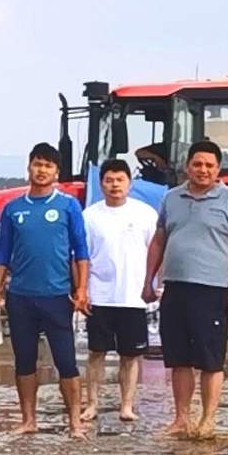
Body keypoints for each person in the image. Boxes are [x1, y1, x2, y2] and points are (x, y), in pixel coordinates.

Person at [141, 139, 228, 440]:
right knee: (179, 358)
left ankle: (207, 420)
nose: (202, 170)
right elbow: (159, 240)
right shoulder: (172, 198)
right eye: (197, 164)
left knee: (210, 359)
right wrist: (148, 280)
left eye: (209, 165)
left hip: (212, 288)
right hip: (175, 286)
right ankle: (181, 418)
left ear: (218, 170)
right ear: (187, 166)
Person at [0, 141, 93, 438]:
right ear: (29, 167)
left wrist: (81, 290)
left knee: (66, 361)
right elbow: (2, 254)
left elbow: (80, 251)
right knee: (24, 361)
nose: (42, 170)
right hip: (21, 297)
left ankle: (74, 422)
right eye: (37, 164)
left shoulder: (67, 205)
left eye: (48, 166)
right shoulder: (13, 209)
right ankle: (28, 419)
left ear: (56, 172)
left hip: (56, 296)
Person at [80, 156, 158, 426]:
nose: (114, 185)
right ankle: (91, 404)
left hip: (133, 296)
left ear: (129, 182)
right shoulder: (90, 216)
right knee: (96, 353)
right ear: (101, 184)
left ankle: (126, 405)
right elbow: (82, 257)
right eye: (109, 180)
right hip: (99, 294)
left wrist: (154, 284)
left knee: (130, 355)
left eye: (119, 180)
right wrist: (81, 290)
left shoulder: (145, 214)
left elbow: (156, 251)